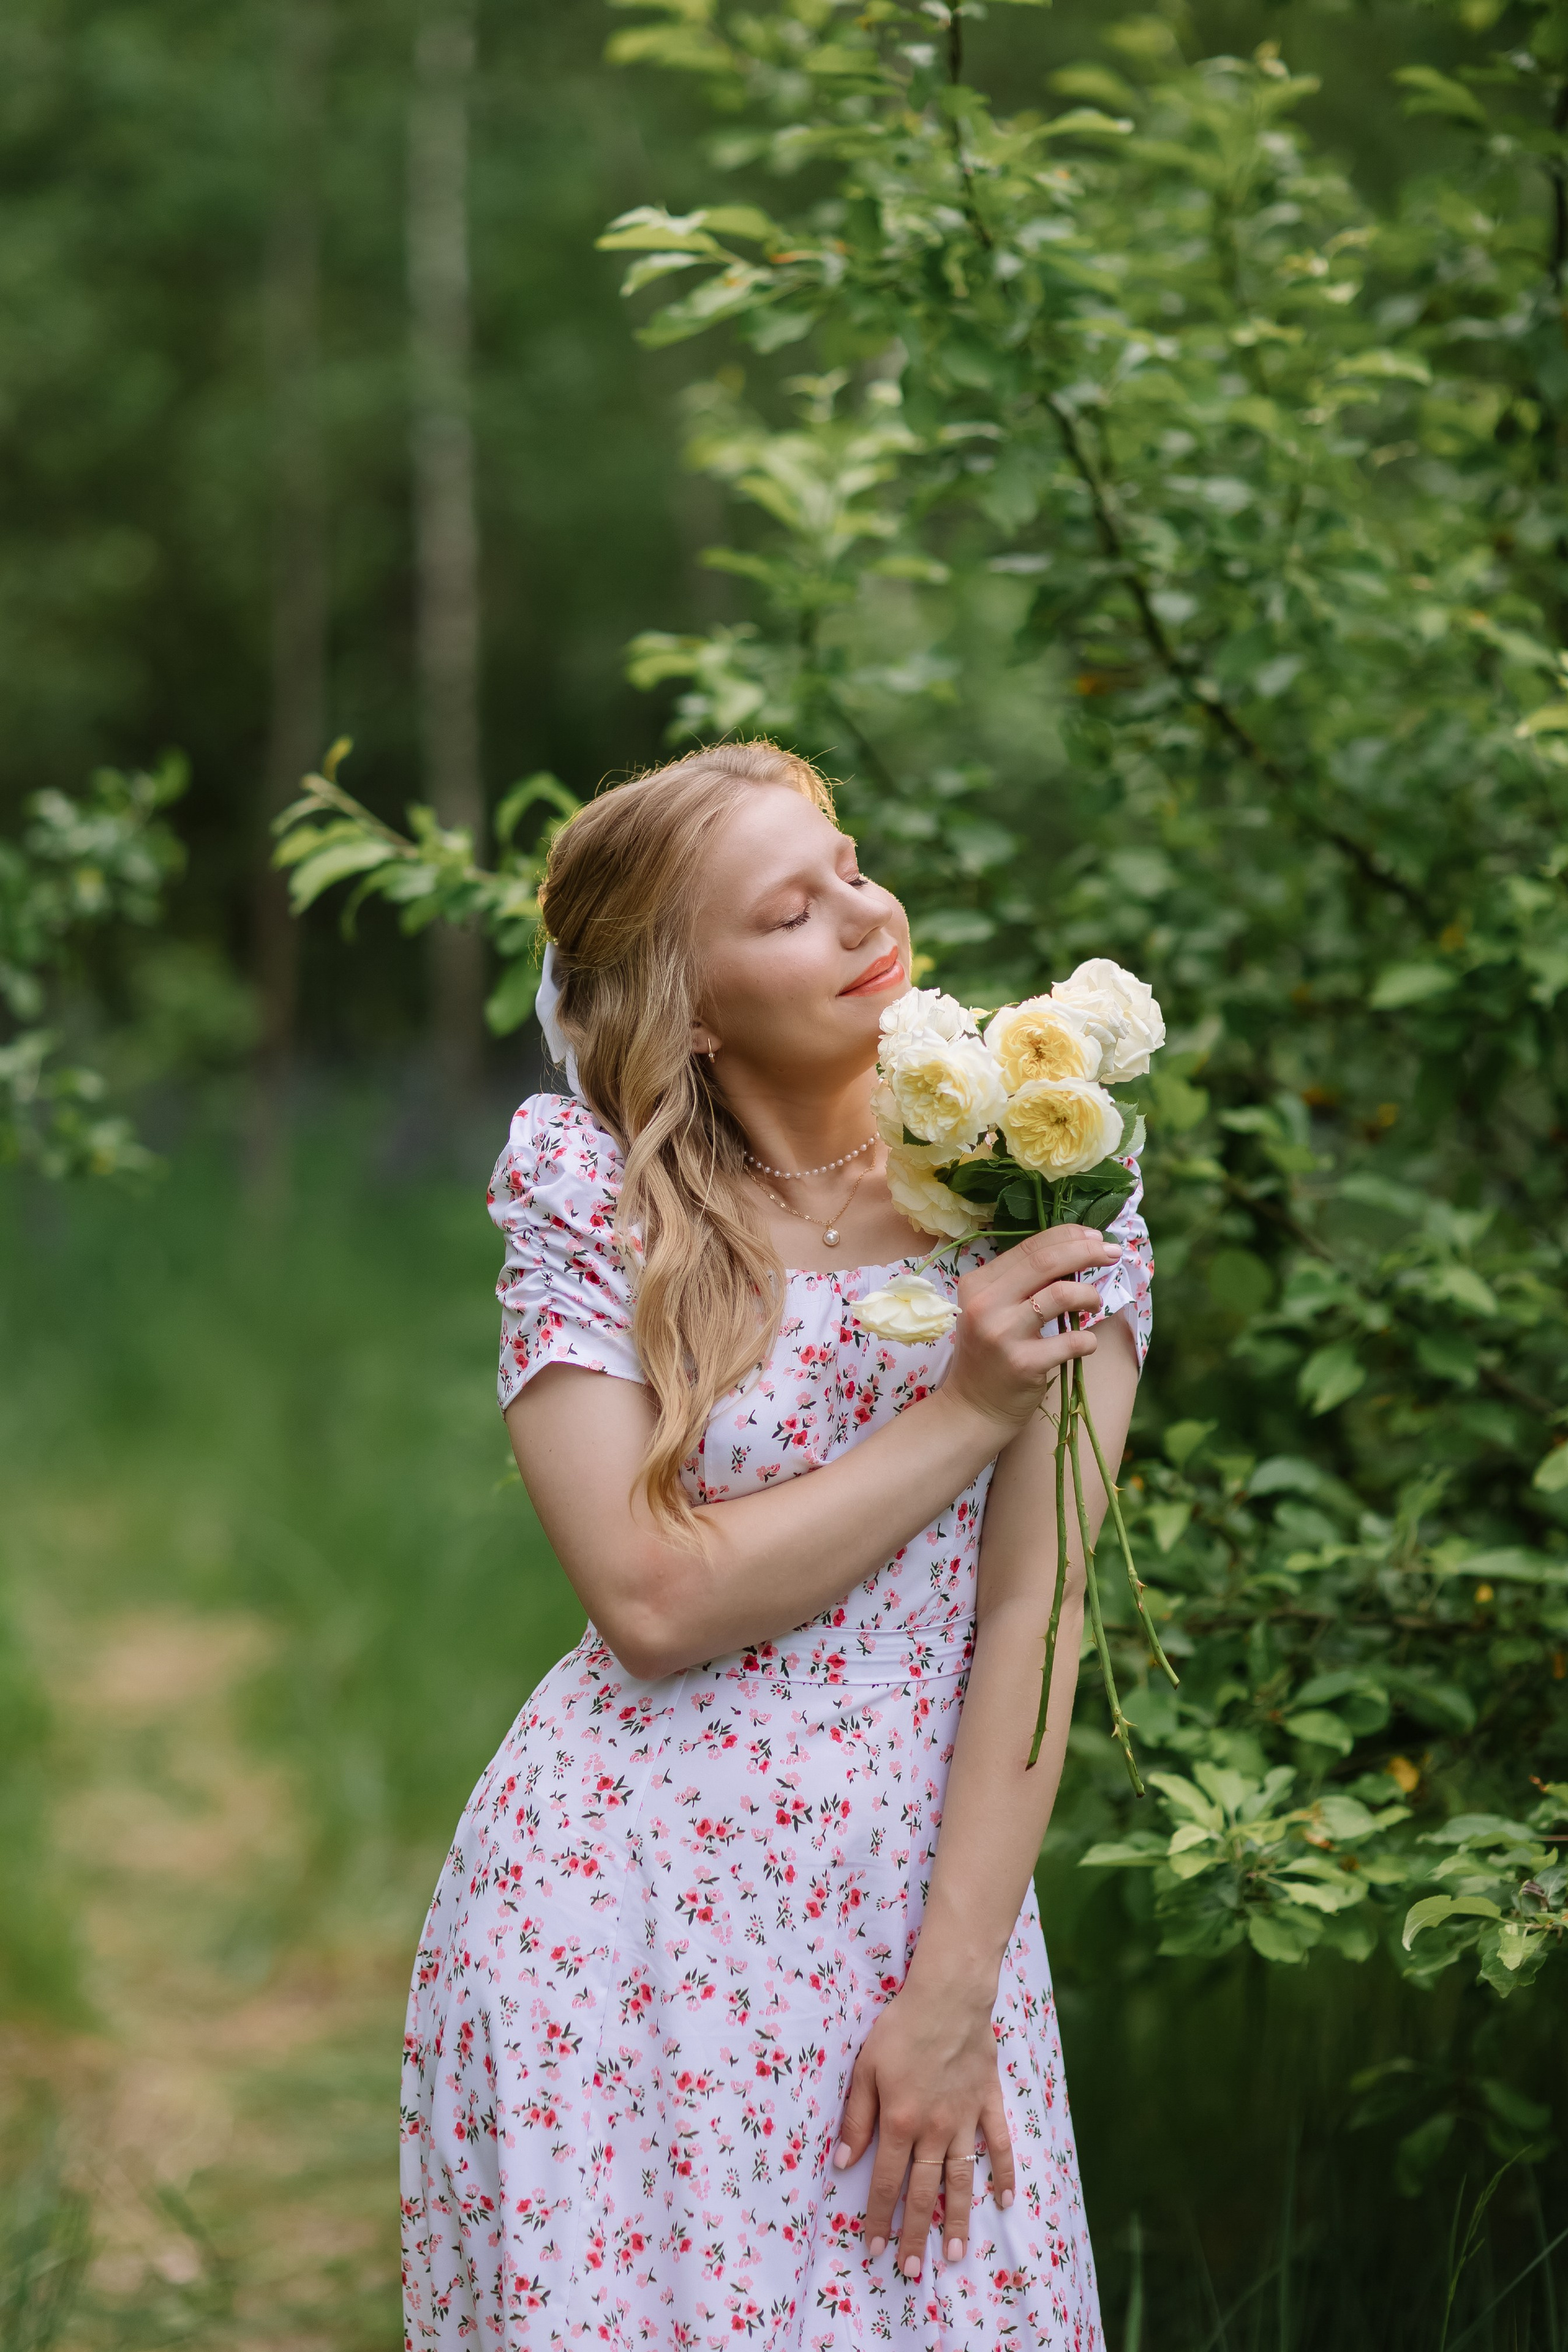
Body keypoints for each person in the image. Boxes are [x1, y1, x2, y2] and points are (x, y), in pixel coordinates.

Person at [400, 741, 1152, 2350]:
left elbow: (1034, 1611)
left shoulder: (1048, 1187)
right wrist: (965, 1408)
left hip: (920, 1906)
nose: (864, 914)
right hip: (616, 1912)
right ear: (690, 1008)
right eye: (789, 912)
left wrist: (953, 1994)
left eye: (850, 871)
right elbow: (652, 1598)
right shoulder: (592, 1195)